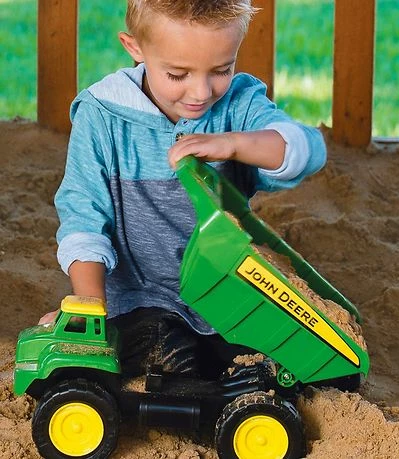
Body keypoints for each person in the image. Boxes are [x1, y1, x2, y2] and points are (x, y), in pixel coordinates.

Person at [39, 0, 326, 378]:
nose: (201, 92)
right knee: (166, 353)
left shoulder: (238, 105)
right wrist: (88, 307)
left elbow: (307, 150)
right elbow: (83, 215)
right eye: (177, 74)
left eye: (221, 70)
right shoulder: (102, 115)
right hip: (143, 299)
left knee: (295, 364)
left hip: (229, 297)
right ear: (135, 47)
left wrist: (234, 143)